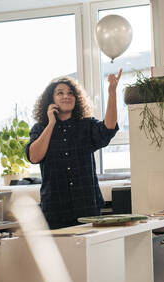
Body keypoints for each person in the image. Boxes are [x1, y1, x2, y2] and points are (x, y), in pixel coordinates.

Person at [26, 70, 122, 229]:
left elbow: (108, 129)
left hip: (87, 207)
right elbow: (34, 157)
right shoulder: (40, 128)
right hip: (55, 210)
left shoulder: (87, 125)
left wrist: (112, 92)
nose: (66, 96)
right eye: (60, 93)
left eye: (71, 93)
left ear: (76, 99)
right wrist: (51, 124)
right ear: (51, 99)